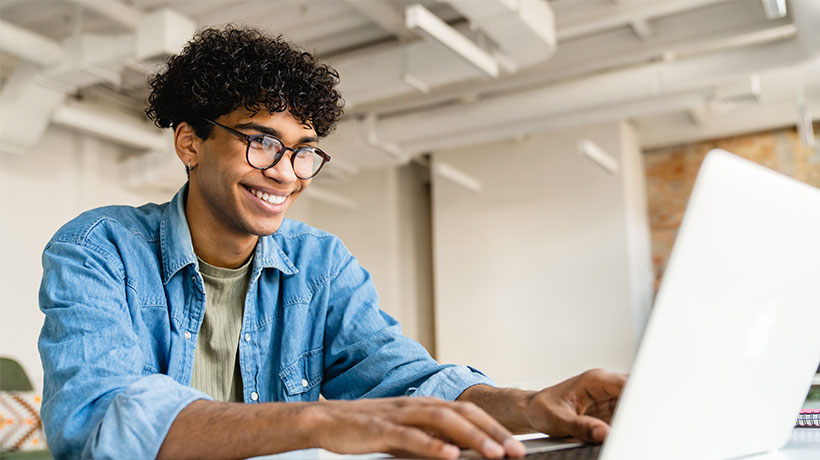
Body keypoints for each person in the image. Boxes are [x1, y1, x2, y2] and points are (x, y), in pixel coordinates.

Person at [38, 26, 626, 460]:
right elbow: (99, 423)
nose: (286, 172)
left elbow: (406, 381)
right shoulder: (99, 248)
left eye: (303, 150)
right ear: (189, 143)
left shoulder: (320, 263)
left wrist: (531, 405)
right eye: (261, 141)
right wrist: (318, 421)